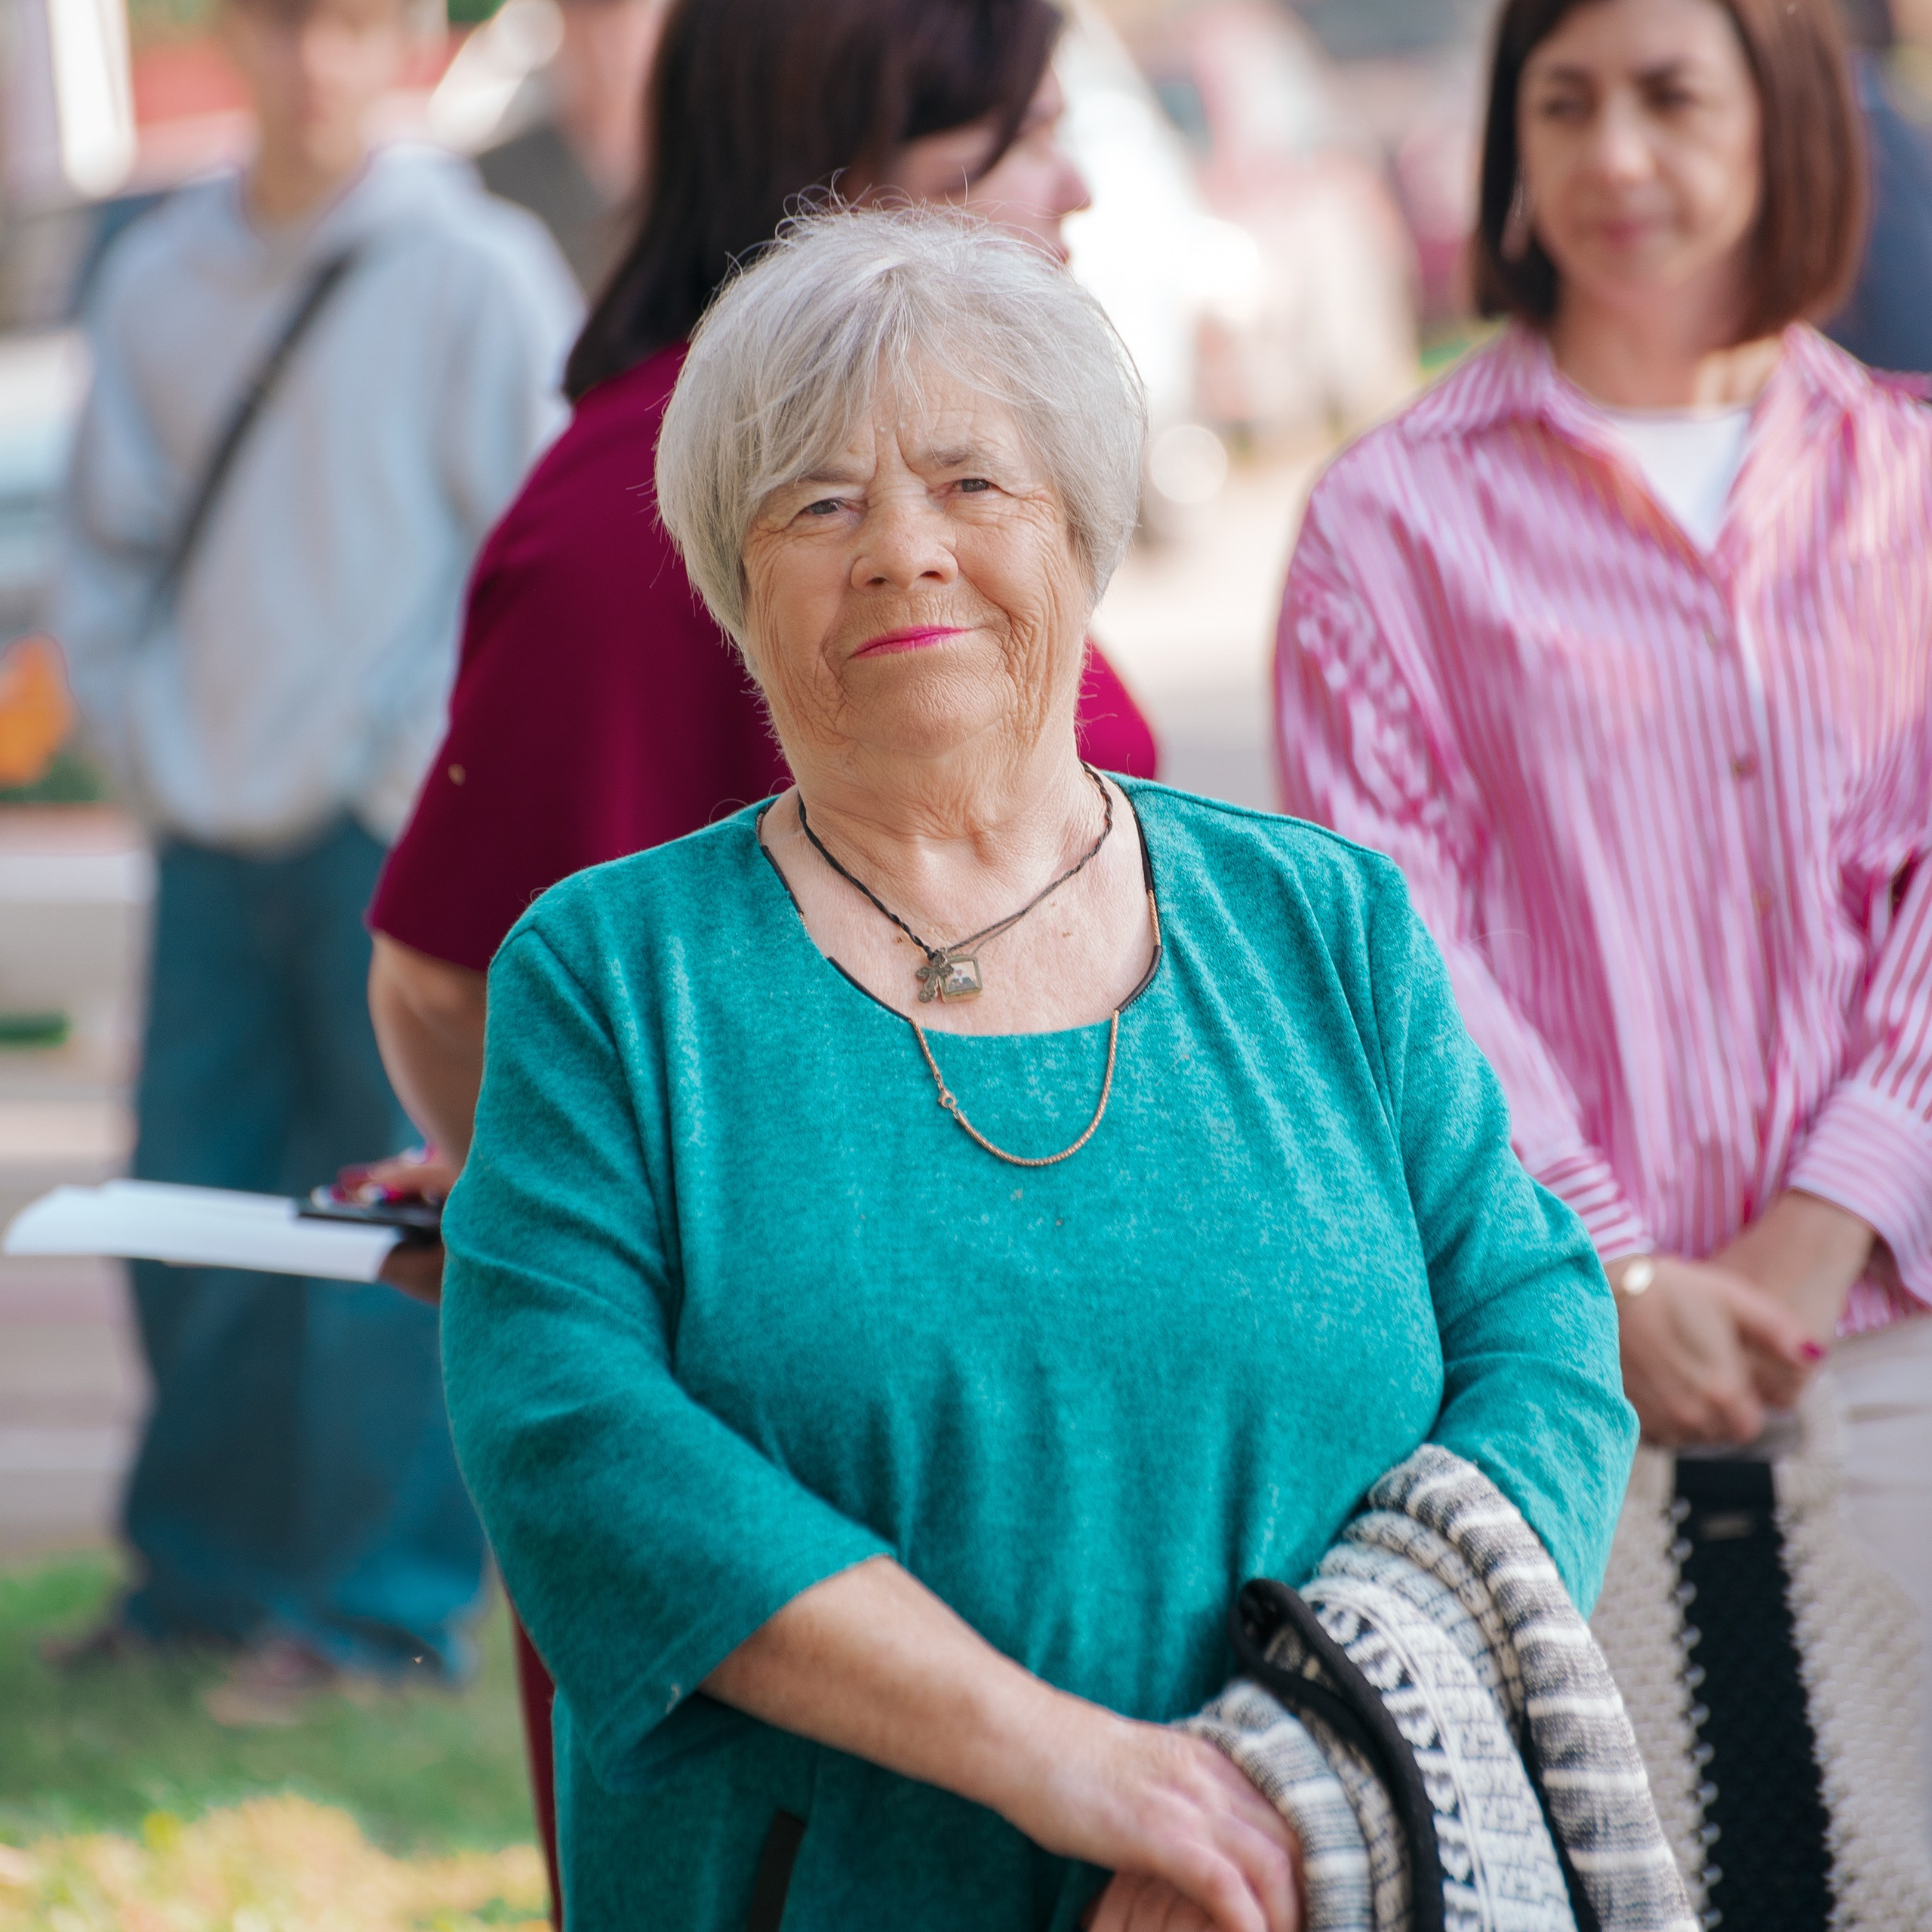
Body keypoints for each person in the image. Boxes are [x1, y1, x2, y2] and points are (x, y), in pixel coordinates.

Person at [437, 205, 1635, 1932]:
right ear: (727, 575)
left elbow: (1541, 1345)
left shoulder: (1321, 921)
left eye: (969, 483)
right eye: (816, 501)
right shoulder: (615, 976)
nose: (899, 548)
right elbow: (571, 1436)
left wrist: (1284, 1779)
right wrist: (1065, 1762)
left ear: (1080, 528)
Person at [361, 7, 1155, 1890]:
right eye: (1022, 135)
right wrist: (576, 1206)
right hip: (778, 1549)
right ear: (858, 171)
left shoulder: (1315, 914)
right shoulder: (637, 504)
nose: (1079, 182)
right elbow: (440, 968)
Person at [1273, 0, 1932, 1899]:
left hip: (1895, 1338)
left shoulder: (1911, 491)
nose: (1612, 157)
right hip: (1559, 1387)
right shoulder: (1387, 521)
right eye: (1559, 103)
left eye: (1665, 94)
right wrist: (1612, 1275)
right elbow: (1398, 941)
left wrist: (1821, 1224)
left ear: (1784, 120)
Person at [49, 0, 579, 1716]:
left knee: (378, 1231)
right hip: (207, 826)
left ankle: (375, 1612)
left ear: (408, 46)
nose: (312, 60)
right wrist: (142, 742)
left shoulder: (474, 273)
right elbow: (103, 544)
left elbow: (534, 551)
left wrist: (402, 769)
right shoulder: (157, 277)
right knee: (191, 1210)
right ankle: (195, 1578)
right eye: (282, 23)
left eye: (351, 24)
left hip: (388, 836)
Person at [474, 0, 666, 292]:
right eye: (587, 15)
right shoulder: (497, 178)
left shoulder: (692, 162)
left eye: (621, 17)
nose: (603, 43)